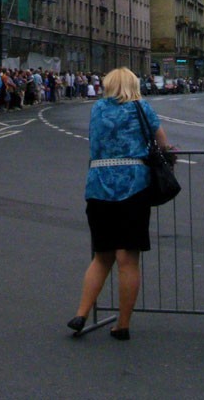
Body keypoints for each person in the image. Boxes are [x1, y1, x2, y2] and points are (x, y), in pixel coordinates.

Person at [68, 66, 170, 341]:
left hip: (98, 185)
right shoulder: (141, 108)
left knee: (102, 256)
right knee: (127, 260)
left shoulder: (97, 109)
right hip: (133, 186)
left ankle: (81, 312)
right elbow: (162, 142)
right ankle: (122, 324)